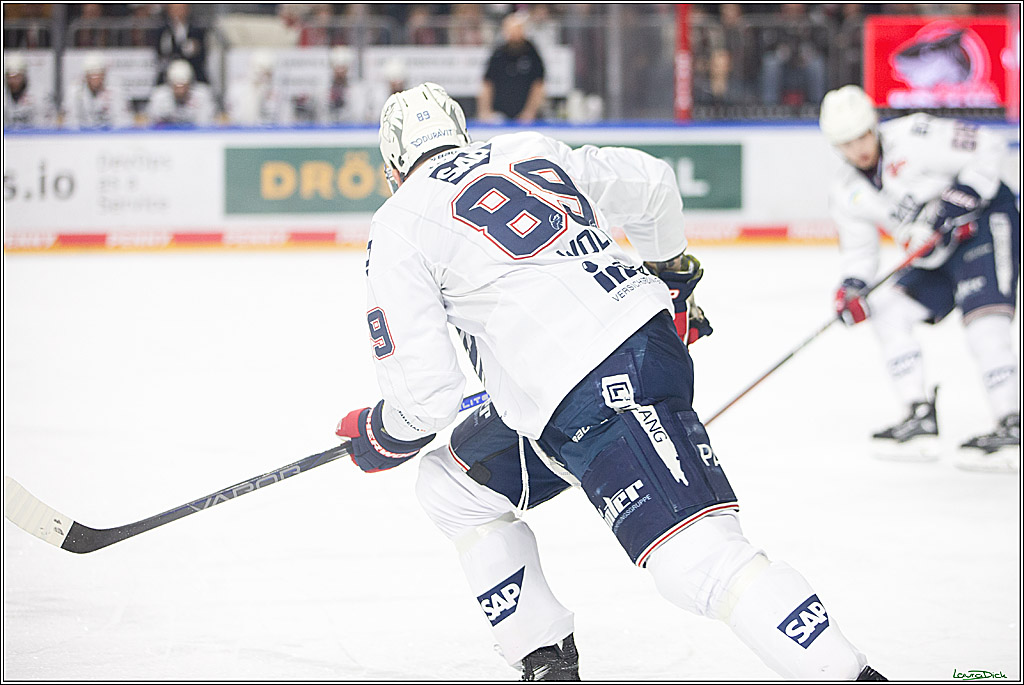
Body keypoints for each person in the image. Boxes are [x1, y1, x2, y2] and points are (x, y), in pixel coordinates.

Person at [334, 82, 888, 681]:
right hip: (597, 375)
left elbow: (427, 395)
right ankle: (543, 656)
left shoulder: (399, 223)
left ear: (394, 167)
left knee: (699, 564)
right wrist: (673, 276)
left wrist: (383, 433)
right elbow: (652, 184)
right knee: (454, 485)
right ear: (460, 137)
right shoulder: (523, 148)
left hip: (597, 386)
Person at [822, 85, 1020, 473]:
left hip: (983, 225)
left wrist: (959, 198)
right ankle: (918, 414)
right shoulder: (845, 190)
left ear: (875, 125)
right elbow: (861, 252)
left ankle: (1012, 421)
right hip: (934, 249)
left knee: (985, 325)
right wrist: (853, 286)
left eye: (863, 135)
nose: (859, 149)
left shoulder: (916, 135)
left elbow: (990, 144)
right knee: (888, 309)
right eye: (847, 143)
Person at [478, 12, 546, 123]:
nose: (514, 34)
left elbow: (538, 85)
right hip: (499, 115)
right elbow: (487, 84)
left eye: (517, 30)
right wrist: (485, 111)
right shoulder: (498, 53)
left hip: (525, 117)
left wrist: (530, 112)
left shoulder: (532, 54)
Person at [64, 52, 132, 130]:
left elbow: (123, 119)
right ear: (86, 75)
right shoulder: (74, 90)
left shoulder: (115, 88)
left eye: (98, 74)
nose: (95, 79)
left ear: (104, 74)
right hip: (81, 136)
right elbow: (70, 120)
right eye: (91, 74)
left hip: (110, 136)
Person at [225, 51, 291, 127]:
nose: (263, 74)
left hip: (268, 134)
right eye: (260, 68)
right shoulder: (236, 88)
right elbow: (229, 116)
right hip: (240, 133)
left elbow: (286, 121)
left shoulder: (277, 93)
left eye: (267, 70)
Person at [145, 59, 215, 127]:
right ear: (170, 85)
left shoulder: (202, 96)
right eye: (176, 87)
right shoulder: (159, 97)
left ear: (190, 84)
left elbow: (205, 125)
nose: (180, 91)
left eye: (183, 86)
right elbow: (151, 123)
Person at [156, 3, 208, 84]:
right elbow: (160, 53)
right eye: (175, 9)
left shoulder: (197, 30)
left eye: (181, 9)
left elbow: (201, 53)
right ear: (169, 11)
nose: (178, 13)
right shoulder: (162, 30)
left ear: (187, 10)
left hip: (193, 71)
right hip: (169, 71)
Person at [3, 53, 56, 129]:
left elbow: (47, 121)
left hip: (33, 137)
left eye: (17, 77)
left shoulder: (39, 93)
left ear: (23, 75)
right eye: (9, 77)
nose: (13, 81)